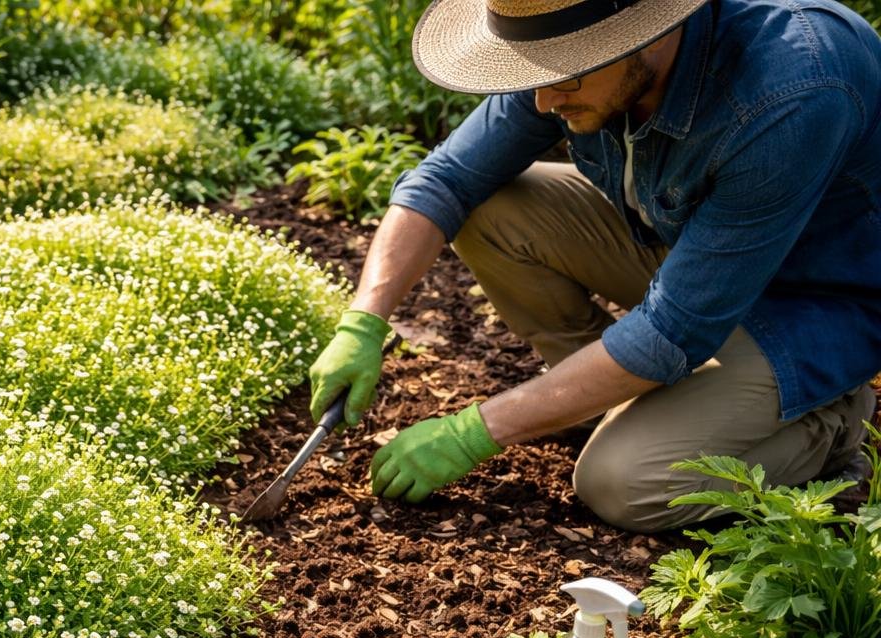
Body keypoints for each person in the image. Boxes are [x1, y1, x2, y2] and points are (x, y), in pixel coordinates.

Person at [309, 0, 881, 531]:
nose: (542, 101)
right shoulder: (564, 42)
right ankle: (613, 404)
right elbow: (446, 181)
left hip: (813, 306)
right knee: (491, 210)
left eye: (567, 73)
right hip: (689, 248)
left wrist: (474, 432)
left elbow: (673, 331)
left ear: (646, 32)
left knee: (623, 482)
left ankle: (828, 426)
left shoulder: (793, 87)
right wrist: (363, 321)